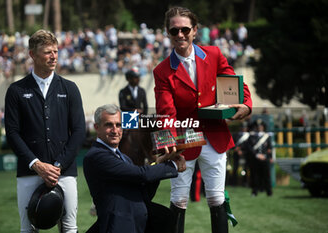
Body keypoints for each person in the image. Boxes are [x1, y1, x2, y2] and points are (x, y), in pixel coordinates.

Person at [153, 7, 252, 233]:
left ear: (195, 31)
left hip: (215, 137)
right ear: (168, 33)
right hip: (184, 139)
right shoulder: (162, 71)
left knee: (217, 198)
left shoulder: (214, 54)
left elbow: (234, 84)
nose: (180, 34)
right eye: (174, 30)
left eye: (185, 29)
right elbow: (166, 112)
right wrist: (166, 146)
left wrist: (246, 104)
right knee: (178, 199)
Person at [4, 29, 86, 233]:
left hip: (64, 173)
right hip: (28, 172)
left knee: (69, 229)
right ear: (32, 54)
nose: (54, 56)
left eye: (56, 51)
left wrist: (57, 166)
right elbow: (13, 133)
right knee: (28, 229)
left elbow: (78, 131)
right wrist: (37, 164)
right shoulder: (16, 90)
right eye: (48, 52)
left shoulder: (70, 88)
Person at [83, 104, 186, 233]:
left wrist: (160, 161)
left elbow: (144, 194)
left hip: (138, 223)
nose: (115, 130)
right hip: (119, 226)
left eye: (118, 125)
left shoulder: (125, 159)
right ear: (96, 128)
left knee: (165, 215)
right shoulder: (97, 155)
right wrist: (173, 166)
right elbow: (141, 174)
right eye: (109, 125)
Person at [247, 120, 273, 196]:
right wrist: (257, 155)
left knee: (266, 175)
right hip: (255, 159)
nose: (259, 128)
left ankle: (269, 192)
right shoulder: (252, 136)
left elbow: (269, 148)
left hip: (265, 158)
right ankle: (254, 192)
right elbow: (249, 147)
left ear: (263, 127)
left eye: (261, 126)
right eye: (258, 126)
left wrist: (269, 156)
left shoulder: (266, 136)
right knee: (255, 176)